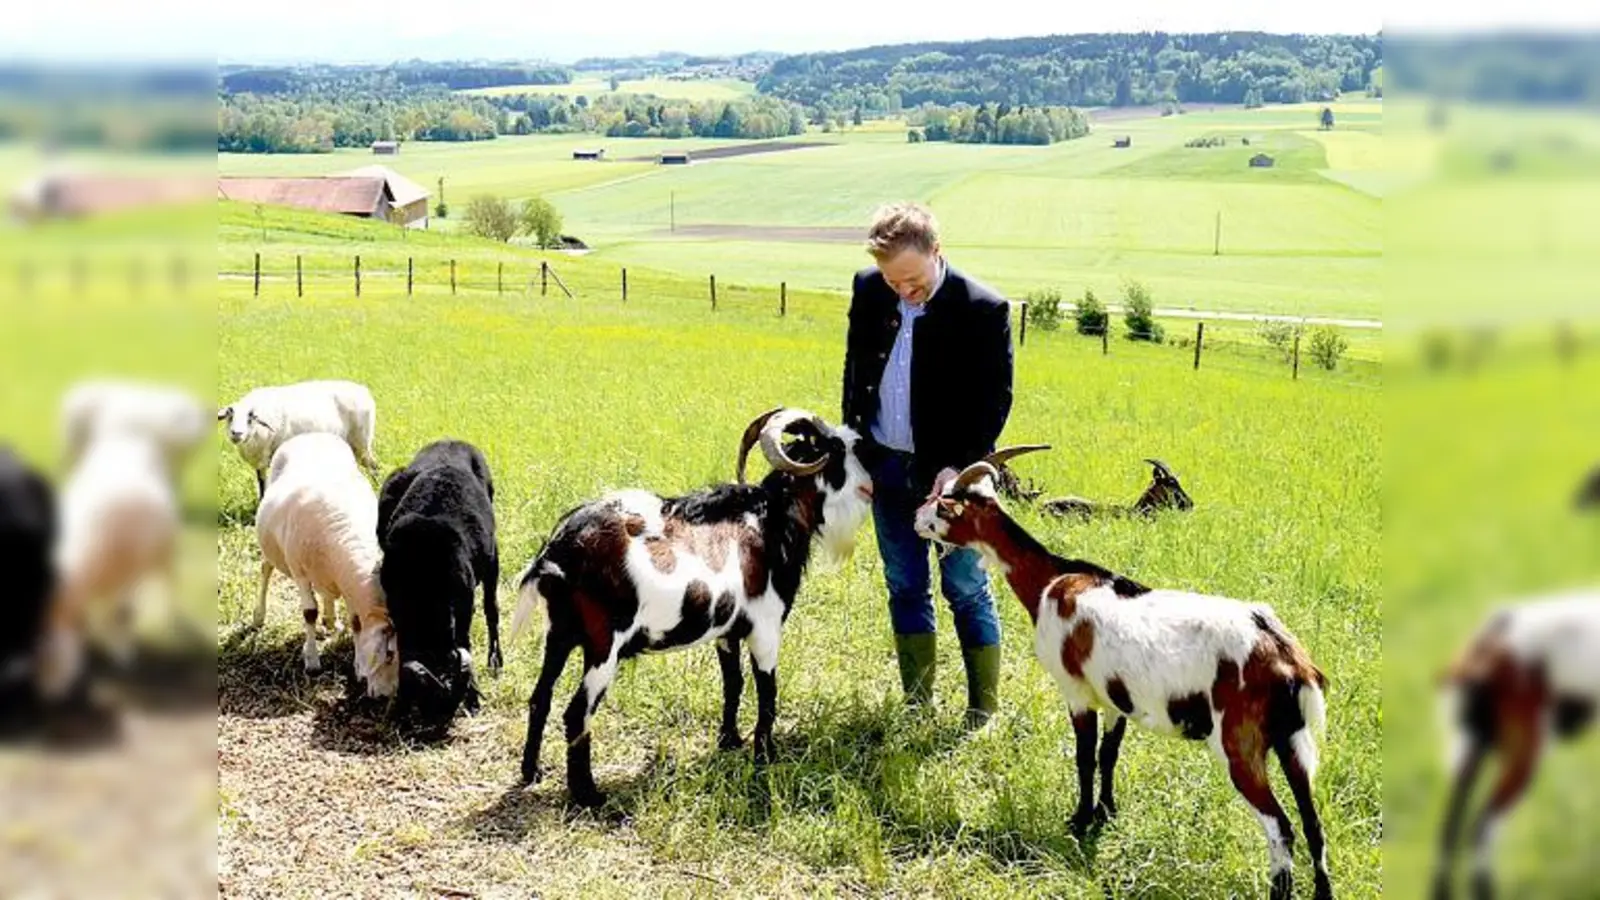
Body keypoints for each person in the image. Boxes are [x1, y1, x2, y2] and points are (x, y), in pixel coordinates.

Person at [841, 201, 1015, 727]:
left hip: (951, 479)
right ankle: (918, 705)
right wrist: (856, 455)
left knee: (965, 586)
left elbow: (994, 402)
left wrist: (958, 468)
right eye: (893, 282)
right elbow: (854, 375)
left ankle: (982, 712)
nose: (904, 291)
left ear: (937, 252)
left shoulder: (983, 308)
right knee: (904, 583)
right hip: (885, 468)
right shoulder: (868, 289)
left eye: (913, 281)